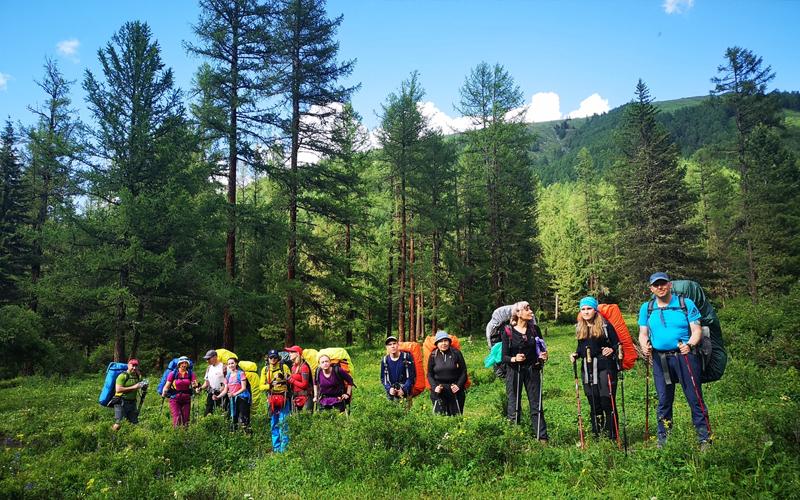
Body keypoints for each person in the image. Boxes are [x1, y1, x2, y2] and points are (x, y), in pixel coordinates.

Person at [638, 272, 711, 450]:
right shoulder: (647, 308)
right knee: (663, 400)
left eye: (663, 284)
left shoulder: (685, 304)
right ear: (651, 288)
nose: (660, 287)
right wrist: (644, 345)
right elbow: (643, 333)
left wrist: (690, 344)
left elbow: (697, 330)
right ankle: (664, 439)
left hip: (685, 356)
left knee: (694, 397)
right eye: (656, 285)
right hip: (659, 359)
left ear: (670, 285)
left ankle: (704, 438)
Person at [569, 296, 620, 440]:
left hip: (605, 367)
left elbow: (617, 344)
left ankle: (612, 435)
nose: (586, 312)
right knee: (593, 401)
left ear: (595, 309)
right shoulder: (580, 326)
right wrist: (576, 354)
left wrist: (611, 350)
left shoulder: (605, 325)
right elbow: (581, 348)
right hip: (587, 368)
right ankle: (597, 433)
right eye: (583, 309)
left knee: (607, 401)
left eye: (589, 308)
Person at [502, 301, 549, 440]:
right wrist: (514, 359)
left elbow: (541, 349)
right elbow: (504, 356)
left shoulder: (534, 329)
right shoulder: (507, 331)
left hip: (533, 369)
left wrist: (543, 355)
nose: (530, 310)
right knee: (514, 405)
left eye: (529, 307)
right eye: (526, 308)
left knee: (536, 404)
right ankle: (514, 439)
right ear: (518, 313)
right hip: (514, 371)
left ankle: (542, 438)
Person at [427, 331, 468, 416]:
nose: (444, 343)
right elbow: (429, 374)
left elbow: (463, 371)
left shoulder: (456, 353)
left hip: (455, 389)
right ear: (437, 344)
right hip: (439, 390)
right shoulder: (433, 355)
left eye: (446, 340)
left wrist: (459, 386)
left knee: (456, 417)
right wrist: (435, 387)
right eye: (441, 341)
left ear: (449, 342)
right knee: (440, 417)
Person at [261, 349, 292, 452]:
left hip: (284, 398)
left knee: (284, 422)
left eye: (275, 357)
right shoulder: (265, 370)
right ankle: (276, 448)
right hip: (272, 399)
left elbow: (290, 380)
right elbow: (261, 386)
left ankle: (284, 449)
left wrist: (284, 379)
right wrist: (269, 385)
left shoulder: (284, 367)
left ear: (278, 358)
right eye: (271, 357)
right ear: (268, 358)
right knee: (274, 423)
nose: (273, 359)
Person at [216, 357, 251, 432]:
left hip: (242, 398)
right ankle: (234, 435)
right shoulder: (228, 376)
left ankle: (248, 435)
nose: (231, 365)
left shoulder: (241, 373)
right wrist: (217, 396)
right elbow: (226, 390)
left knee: (244, 417)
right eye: (229, 364)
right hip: (233, 399)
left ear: (236, 363)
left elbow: (244, 388)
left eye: (232, 363)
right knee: (233, 417)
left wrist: (234, 394)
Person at [161, 356, 198, 427]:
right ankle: (176, 435)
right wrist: (164, 393)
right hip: (175, 399)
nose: (184, 365)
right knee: (177, 418)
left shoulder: (191, 374)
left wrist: (196, 389)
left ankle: (185, 436)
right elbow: (167, 386)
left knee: (186, 419)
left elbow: (194, 384)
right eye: (182, 363)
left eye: (185, 363)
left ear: (187, 364)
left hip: (186, 399)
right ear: (179, 364)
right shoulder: (173, 374)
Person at [111, 358, 144, 431]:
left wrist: (144, 385)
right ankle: (112, 437)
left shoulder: (137, 376)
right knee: (118, 424)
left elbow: (141, 384)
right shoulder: (122, 376)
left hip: (132, 403)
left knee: (134, 423)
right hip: (121, 402)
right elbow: (118, 389)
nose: (134, 368)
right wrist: (134, 387)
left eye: (136, 366)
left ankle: (131, 439)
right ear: (128, 365)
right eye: (133, 365)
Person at [381, 336, 415, 403]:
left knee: (407, 412)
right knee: (392, 412)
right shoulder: (385, 360)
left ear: (398, 345)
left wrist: (403, 389)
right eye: (390, 345)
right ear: (387, 347)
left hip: (406, 392)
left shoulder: (406, 357)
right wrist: (389, 389)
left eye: (394, 343)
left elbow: (411, 377)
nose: (392, 346)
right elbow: (383, 378)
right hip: (391, 392)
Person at [198, 350, 227, 416]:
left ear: (215, 357)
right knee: (208, 412)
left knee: (222, 412)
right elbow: (206, 383)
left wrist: (224, 387)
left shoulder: (224, 367)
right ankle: (208, 425)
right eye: (206, 359)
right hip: (211, 392)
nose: (207, 361)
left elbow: (228, 380)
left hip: (222, 393)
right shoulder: (209, 368)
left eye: (209, 358)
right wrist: (200, 388)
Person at [286, 345, 313, 412]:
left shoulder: (304, 367)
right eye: (289, 352)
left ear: (297, 353)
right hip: (296, 397)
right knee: (297, 421)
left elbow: (304, 385)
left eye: (292, 352)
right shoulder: (293, 367)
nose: (289, 354)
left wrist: (291, 380)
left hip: (306, 397)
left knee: (306, 420)